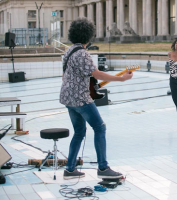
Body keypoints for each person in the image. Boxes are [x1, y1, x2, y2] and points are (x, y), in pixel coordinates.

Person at [60, 18, 133, 180]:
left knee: (79, 132)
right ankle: (103, 167)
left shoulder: (68, 51)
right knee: (100, 128)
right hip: (81, 99)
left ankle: (70, 170)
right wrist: (121, 79)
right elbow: (97, 74)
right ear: (88, 36)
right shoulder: (82, 53)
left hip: (68, 98)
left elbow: (65, 75)